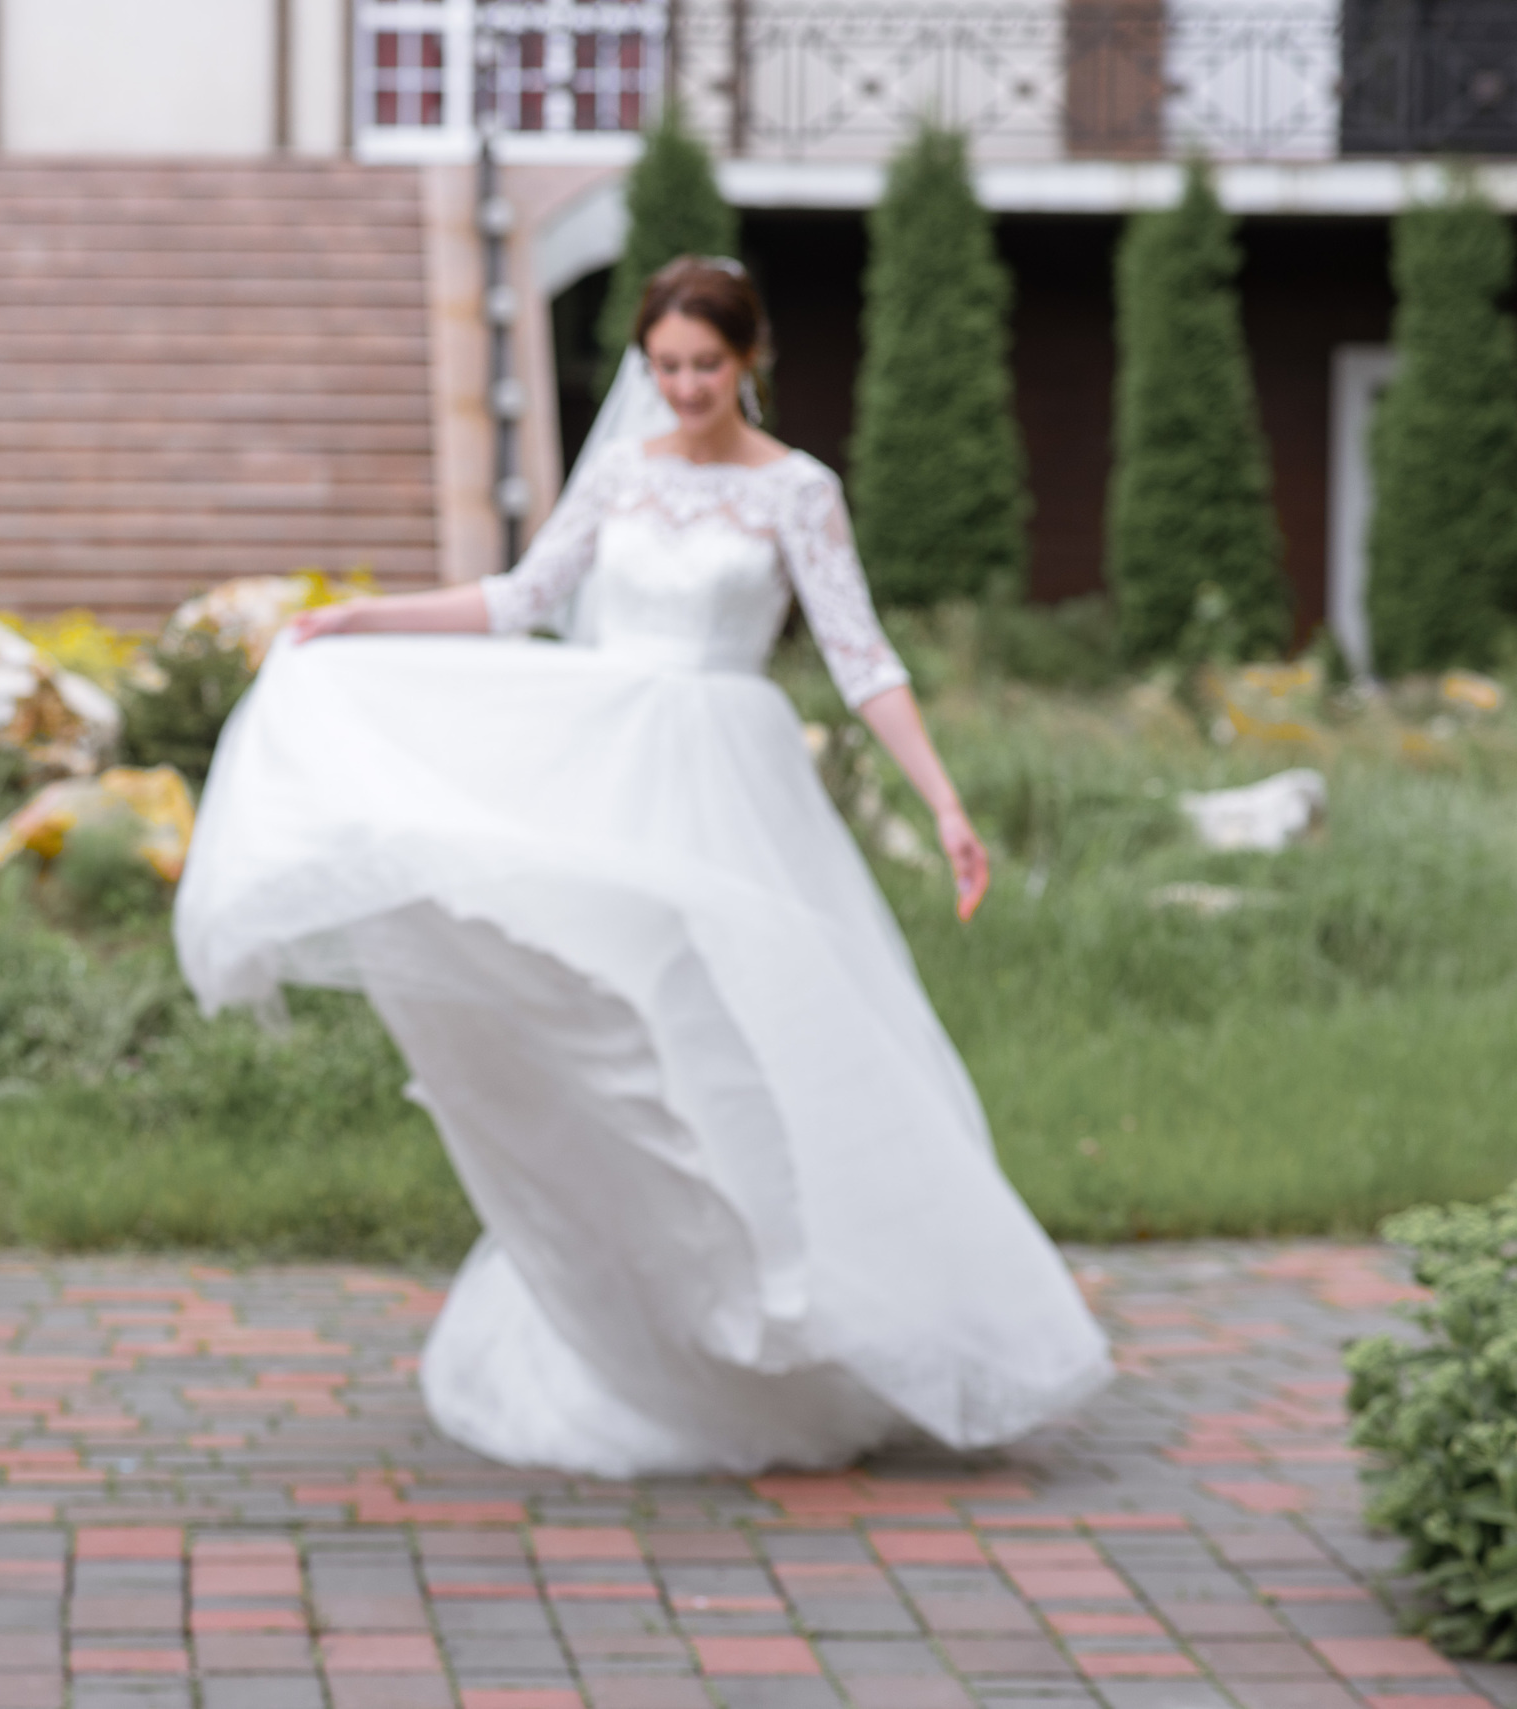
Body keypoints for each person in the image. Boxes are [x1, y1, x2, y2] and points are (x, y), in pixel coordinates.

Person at [174, 257, 1109, 1477]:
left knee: (764, 1044)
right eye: (664, 366)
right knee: (622, 1034)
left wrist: (944, 804)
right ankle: (655, 1336)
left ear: (749, 360)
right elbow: (524, 599)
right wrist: (360, 617)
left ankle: (802, 1321)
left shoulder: (797, 492)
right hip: (614, 764)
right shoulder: (621, 470)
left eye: (705, 367)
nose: (681, 388)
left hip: (735, 781)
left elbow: (860, 654)